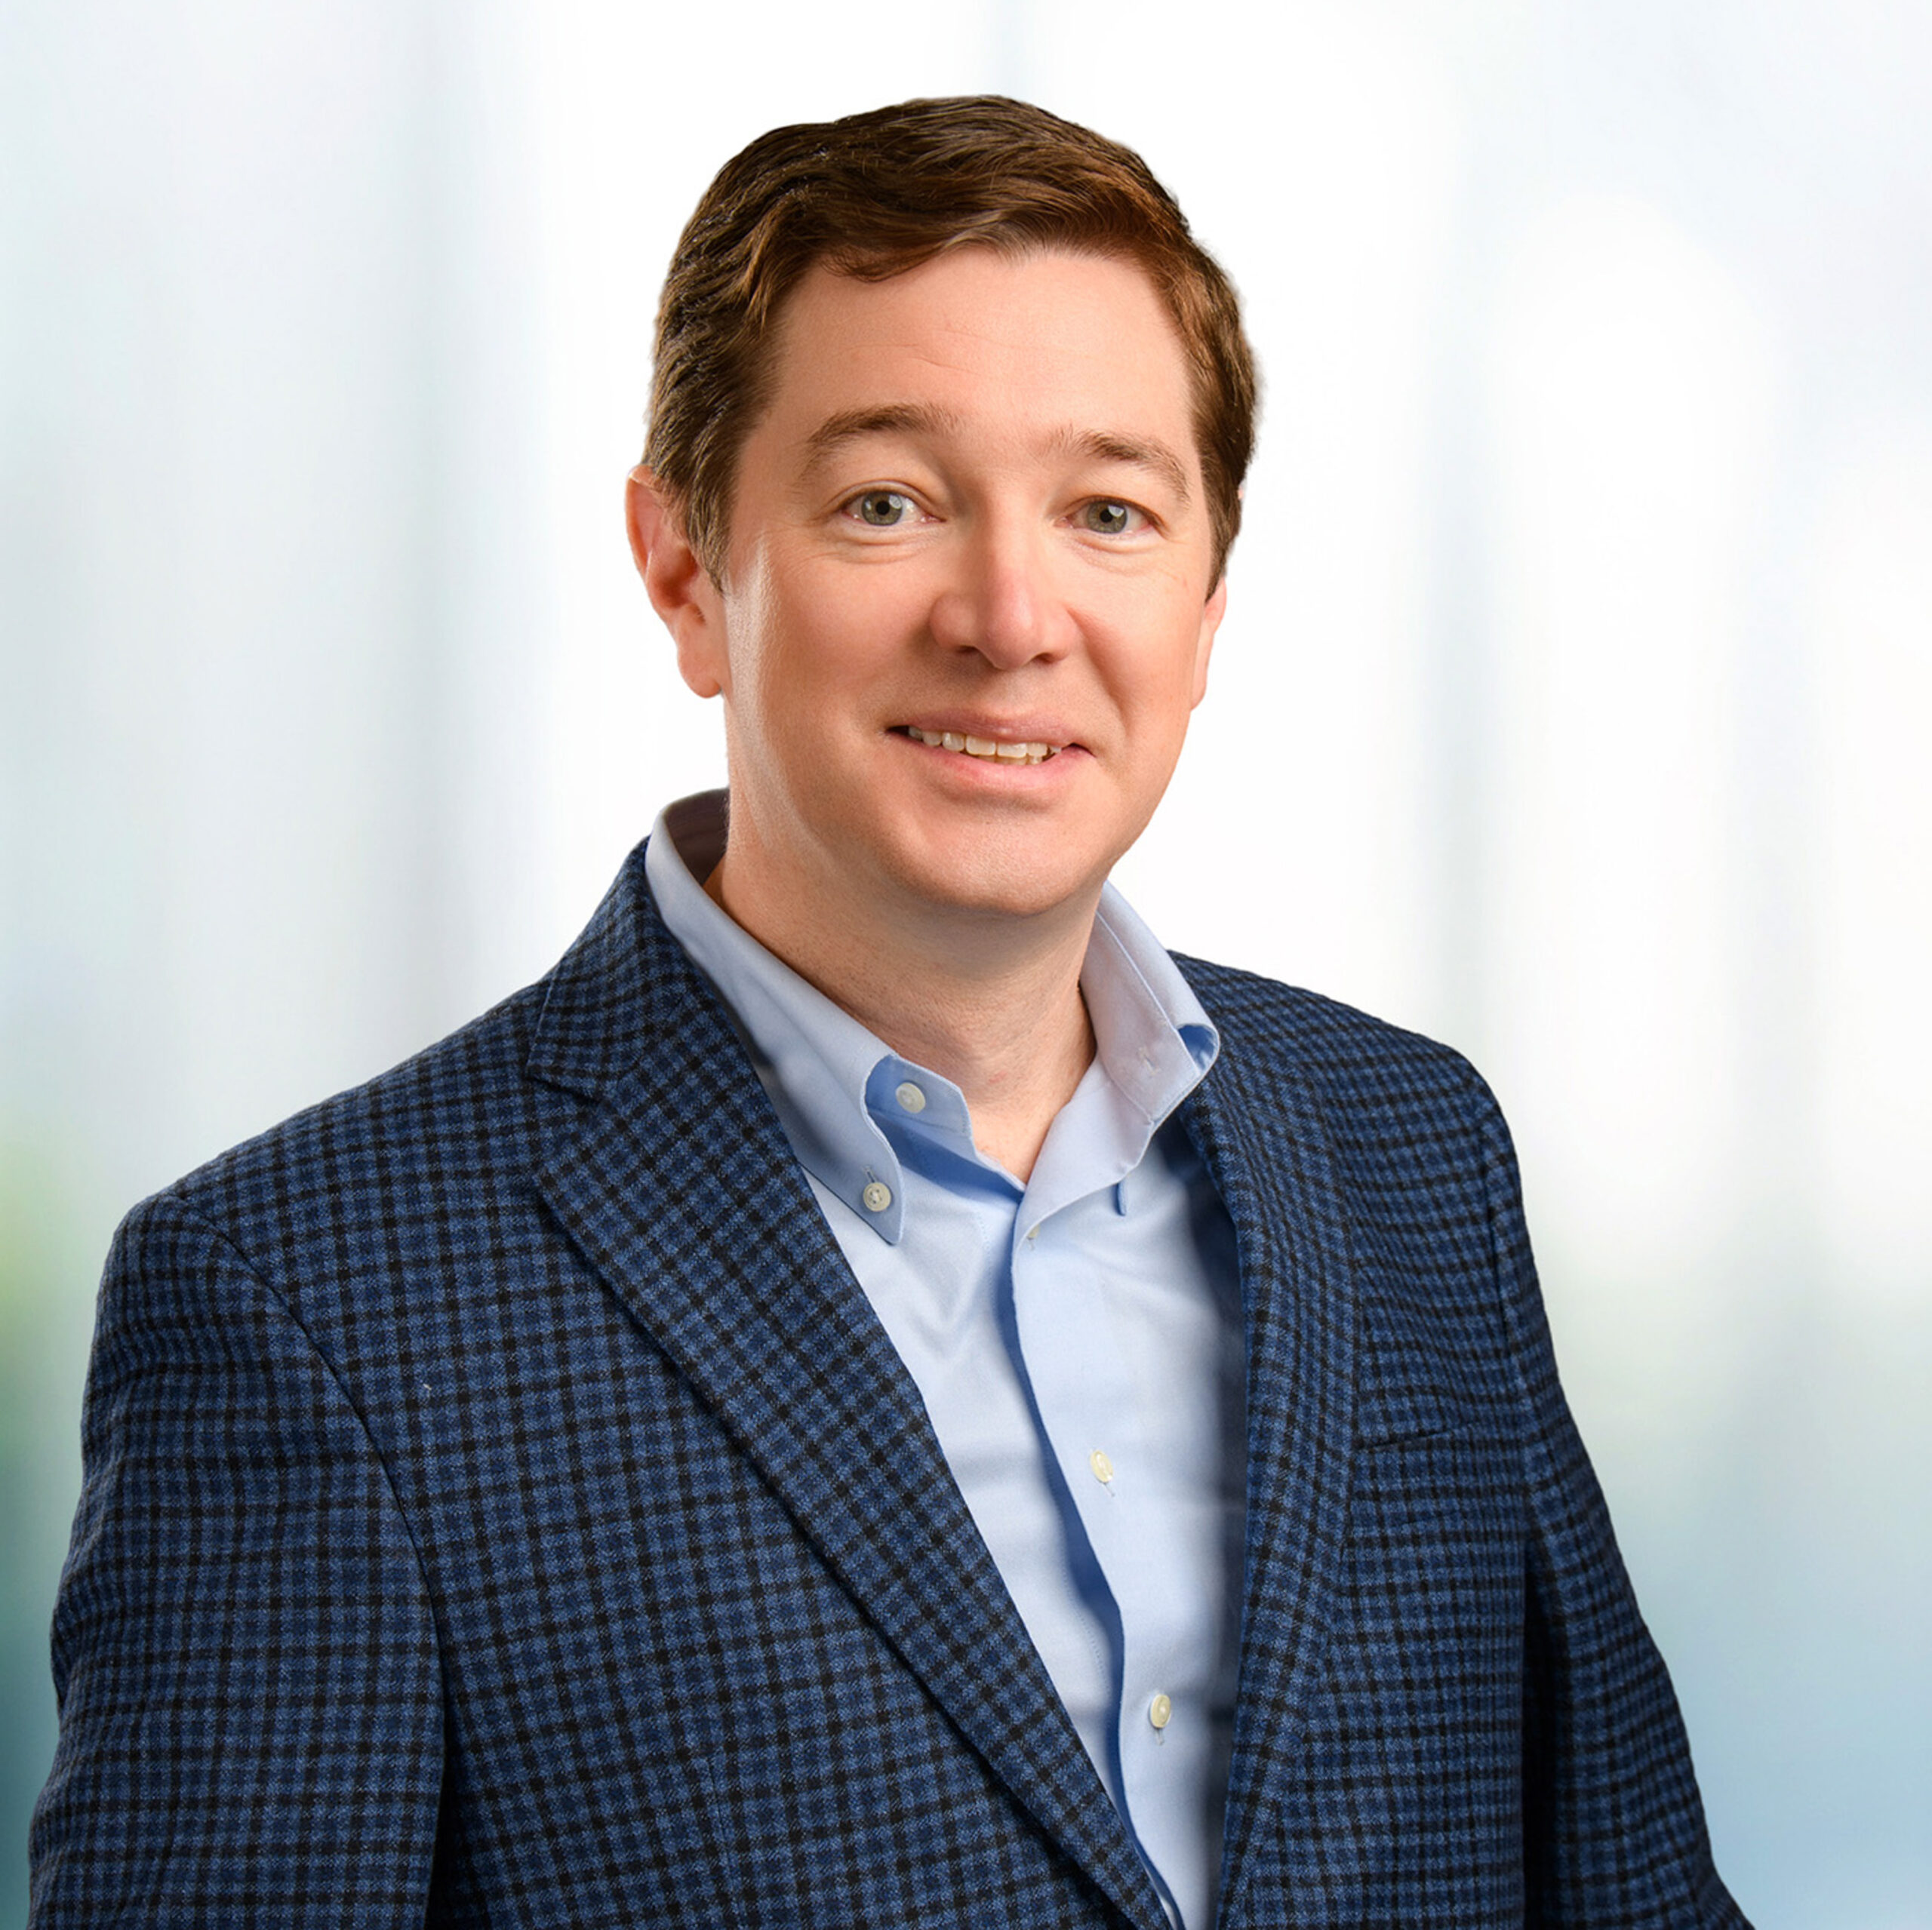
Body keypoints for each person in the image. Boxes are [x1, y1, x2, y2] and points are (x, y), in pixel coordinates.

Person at [30, 96, 1747, 1928]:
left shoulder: (1406, 1150)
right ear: (685, 570)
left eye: (1106, 512)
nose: (1010, 616)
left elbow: (1634, 1894)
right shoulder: (308, 1295)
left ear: (1204, 602)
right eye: (886, 504)